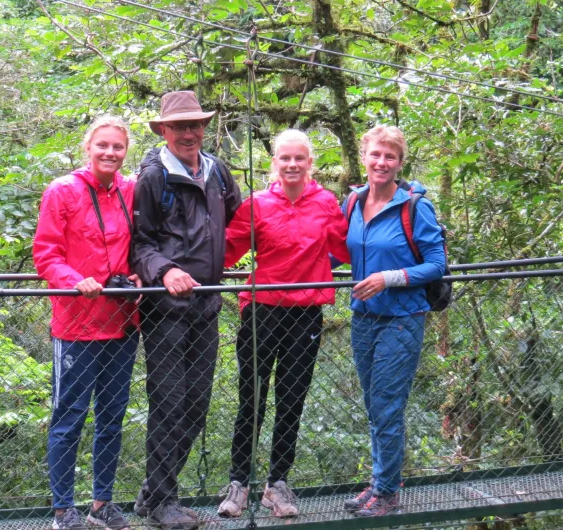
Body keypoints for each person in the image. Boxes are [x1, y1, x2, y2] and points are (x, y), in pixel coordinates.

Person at [217, 129, 350, 518]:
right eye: (285, 158)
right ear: (274, 162)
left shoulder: (325, 203)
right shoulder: (257, 204)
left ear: (310, 162)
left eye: (299, 158)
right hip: (262, 309)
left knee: (292, 399)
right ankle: (239, 483)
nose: (292, 164)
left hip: (306, 312)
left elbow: (347, 247)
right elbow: (226, 249)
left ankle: (278, 484)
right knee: (252, 399)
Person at [131, 91, 242, 530]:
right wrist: (166, 270)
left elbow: (239, 219)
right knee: (168, 404)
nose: (189, 133)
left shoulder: (217, 171)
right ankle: (163, 503)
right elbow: (139, 243)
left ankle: (151, 492)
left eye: (195, 125)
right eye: (179, 126)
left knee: (196, 406)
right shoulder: (153, 177)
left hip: (207, 305)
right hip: (166, 312)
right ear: (163, 130)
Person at [33, 115, 140, 530]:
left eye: (117, 147)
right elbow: (45, 254)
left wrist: (138, 275)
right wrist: (76, 281)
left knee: (112, 416)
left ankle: (102, 504)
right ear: (87, 148)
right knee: (70, 415)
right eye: (103, 146)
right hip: (78, 322)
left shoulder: (131, 191)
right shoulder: (62, 191)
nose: (110, 153)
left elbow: (143, 245)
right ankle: (63, 510)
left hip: (123, 321)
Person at [341, 125, 446, 517]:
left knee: (387, 404)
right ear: (365, 157)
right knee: (373, 405)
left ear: (400, 163)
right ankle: (378, 484)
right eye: (375, 154)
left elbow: (437, 265)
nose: (381, 162)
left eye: (390, 156)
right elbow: (337, 251)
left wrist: (390, 278)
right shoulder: (352, 202)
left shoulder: (414, 207)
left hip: (402, 317)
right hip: (363, 317)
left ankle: (387, 492)